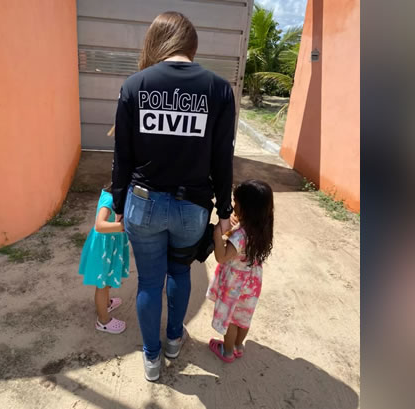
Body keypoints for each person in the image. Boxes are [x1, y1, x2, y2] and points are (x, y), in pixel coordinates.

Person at [111, 11, 236, 381]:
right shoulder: (218, 89)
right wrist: (225, 211)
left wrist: (118, 203)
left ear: (157, 41)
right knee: (180, 272)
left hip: (143, 204)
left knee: (150, 282)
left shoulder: (135, 85)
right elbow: (222, 158)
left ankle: (151, 358)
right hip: (191, 209)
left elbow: (122, 155)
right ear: (192, 45)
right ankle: (173, 342)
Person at [207, 180, 274, 363]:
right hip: (252, 283)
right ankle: (238, 346)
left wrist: (217, 234)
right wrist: (236, 226)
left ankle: (227, 351)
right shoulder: (262, 229)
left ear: (247, 208)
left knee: (230, 319)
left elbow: (222, 257)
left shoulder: (240, 235)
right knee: (244, 316)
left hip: (234, 284)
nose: (233, 206)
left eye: (236, 202)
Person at [78, 182, 131, 334]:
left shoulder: (115, 195)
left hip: (110, 245)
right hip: (104, 247)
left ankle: (106, 304)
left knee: (107, 280)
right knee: (101, 285)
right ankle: (103, 321)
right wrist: (124, 226)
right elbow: (99, 225)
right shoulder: (110, 198)